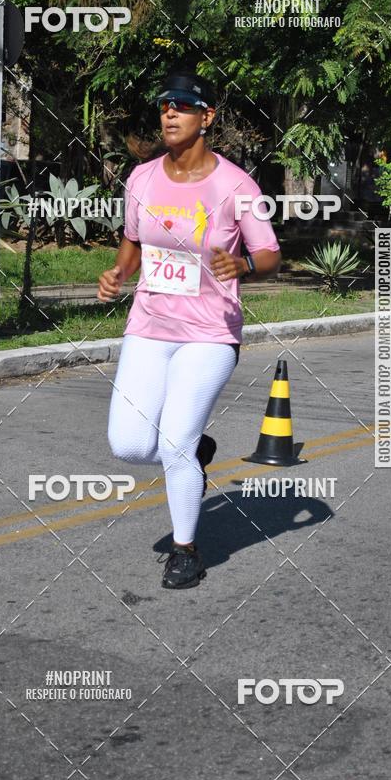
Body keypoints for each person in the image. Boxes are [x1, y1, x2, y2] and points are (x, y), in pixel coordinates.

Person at [97, 68, 281, 589]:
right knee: (129, 445)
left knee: (174, 440)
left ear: (207, 117)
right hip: (149, 327)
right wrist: (118, 274)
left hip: (210, 333)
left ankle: (185, 550)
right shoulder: (142, 178)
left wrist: (242, 267)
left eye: (182, 104)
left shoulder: (236, 185)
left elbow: (269, 255)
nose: (170, 112)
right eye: (164, 105)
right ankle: (195, 456)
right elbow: (133, 244)